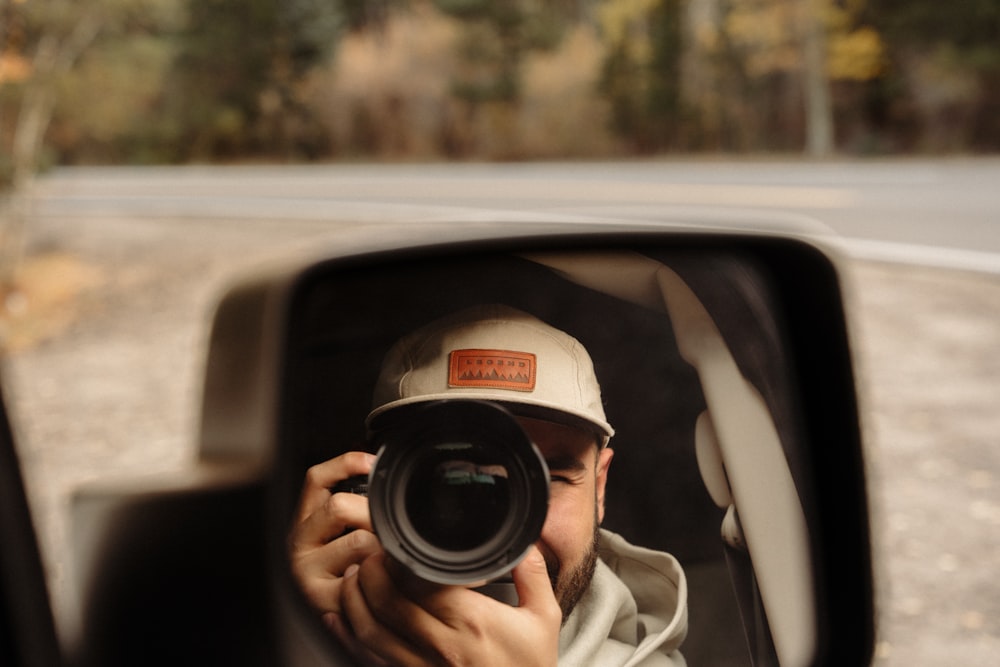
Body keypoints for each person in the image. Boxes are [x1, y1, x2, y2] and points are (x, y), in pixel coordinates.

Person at [290, 304, 688, 666]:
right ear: (369, 485)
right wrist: (289, 629)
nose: (497, 522)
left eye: (547, 478)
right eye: (452, 476)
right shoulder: (313, 627)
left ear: (598, 488)